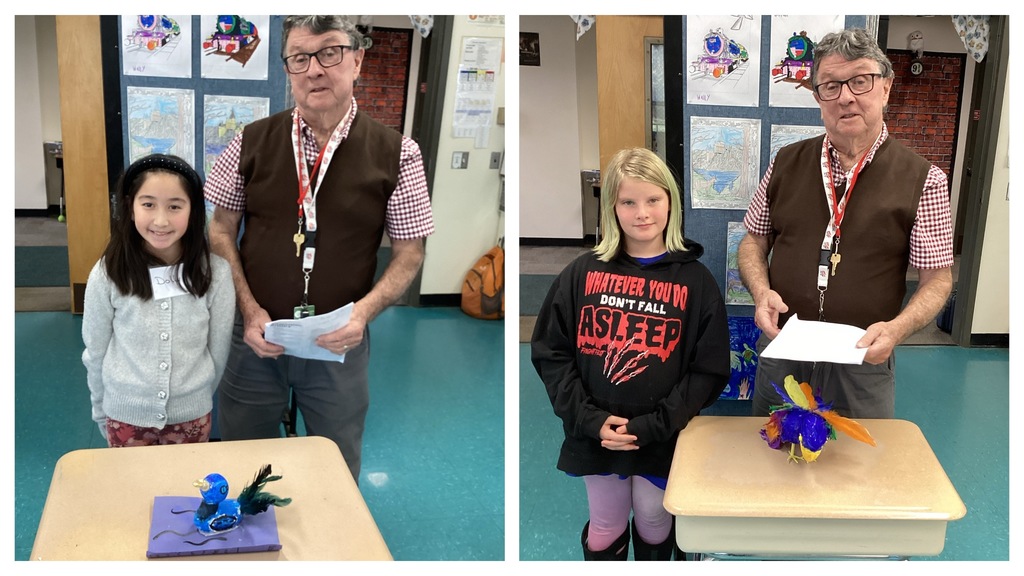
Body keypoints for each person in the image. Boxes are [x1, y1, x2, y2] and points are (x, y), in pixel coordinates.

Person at [204, 15, 434, 481]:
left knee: (337, 465)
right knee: (240, 460)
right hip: (255, 338)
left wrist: (362, 316)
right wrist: (247, 309)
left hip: (339, 343)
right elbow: (220, 230)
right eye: (300, 58)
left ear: (357, 60)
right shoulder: (248, 142)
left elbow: (411, 252)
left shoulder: (398, 154)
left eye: (329, 53)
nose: (315, 70)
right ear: (289, 69)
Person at [738, 28, 954, 419]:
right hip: (785, 351)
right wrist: (760, 291)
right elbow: (753, 241)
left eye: (860, 81)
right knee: (770, 467)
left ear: (885, 89)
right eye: (830, 86)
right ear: (818, 97)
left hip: (863, 362)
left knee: (858, 473)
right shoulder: (785, 163)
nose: (846, 97)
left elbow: (937, 278)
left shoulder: (924, 180)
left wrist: (898, 329)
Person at [531, 148, 730, 561]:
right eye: (628, 202)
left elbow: (708, 370)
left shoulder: (696, 281)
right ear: (611, 208)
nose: (642, 213)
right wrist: (590, 420)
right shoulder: (582, 273)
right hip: (596, 433)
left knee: (654, 520)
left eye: (653, 199)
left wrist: (656, 425)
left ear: (670, 202)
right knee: (605, 525)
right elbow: (551, 352)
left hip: (661, 435)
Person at [82, 154, 235, 447]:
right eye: (148, 204)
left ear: (193, 211)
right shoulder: (108, 273)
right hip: (125, 416)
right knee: (131, 490)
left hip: (192, 417)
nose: (161, 220)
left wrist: (196, 397)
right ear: (130, 207)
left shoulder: (216, 274)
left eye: (175, 206)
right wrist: (101, 411)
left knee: (186, 491)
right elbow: (95, 351)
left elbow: (218, 352)